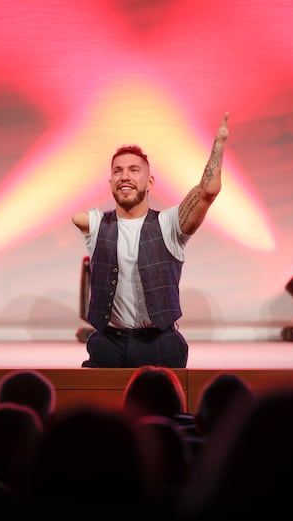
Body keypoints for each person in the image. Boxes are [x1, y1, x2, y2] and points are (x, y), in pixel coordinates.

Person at [72, 112, 230, 368]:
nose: (125, 176)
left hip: (160, 344)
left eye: (134, 170)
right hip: (108, 343)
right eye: (118, 171)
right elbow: (76, 216)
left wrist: (219, 144)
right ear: (110, 181)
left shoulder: (168, 224)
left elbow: (207, 192)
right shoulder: (97, 224)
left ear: (150, 182)